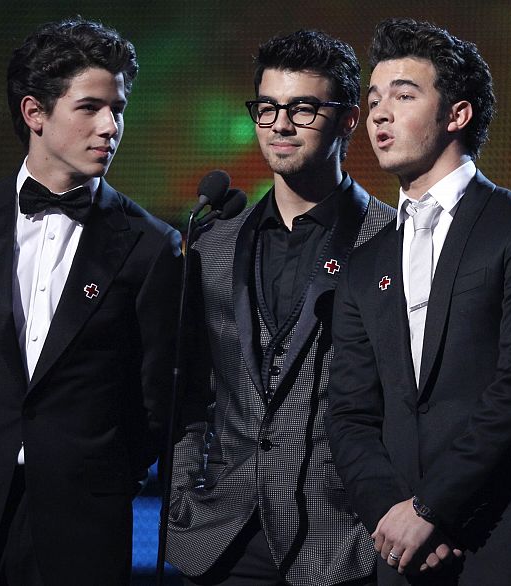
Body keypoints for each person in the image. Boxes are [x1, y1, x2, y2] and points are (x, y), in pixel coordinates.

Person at [0, 17, 181, 585]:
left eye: (117, 109)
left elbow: (158, 400)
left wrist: (95, 470)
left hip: (82, 526)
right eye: (90, 107)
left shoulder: (151, 245)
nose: (110, 126)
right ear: (34, 113)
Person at [325, 17, 511, 585]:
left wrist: (432, 510)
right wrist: (393, 515)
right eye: (373, 100)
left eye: (403, 94)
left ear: (457, 115)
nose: (380, 114)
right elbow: (348, 415)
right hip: (403, 553)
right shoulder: (366, 264)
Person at [165, 29, 395, 586]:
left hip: (343, 542)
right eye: (267, 108)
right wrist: (180, 493)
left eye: (302, 108)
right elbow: (193, 387)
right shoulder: (215, 240)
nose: (281, 125)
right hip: (222, 540)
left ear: (347, 120)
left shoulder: (391, 237)